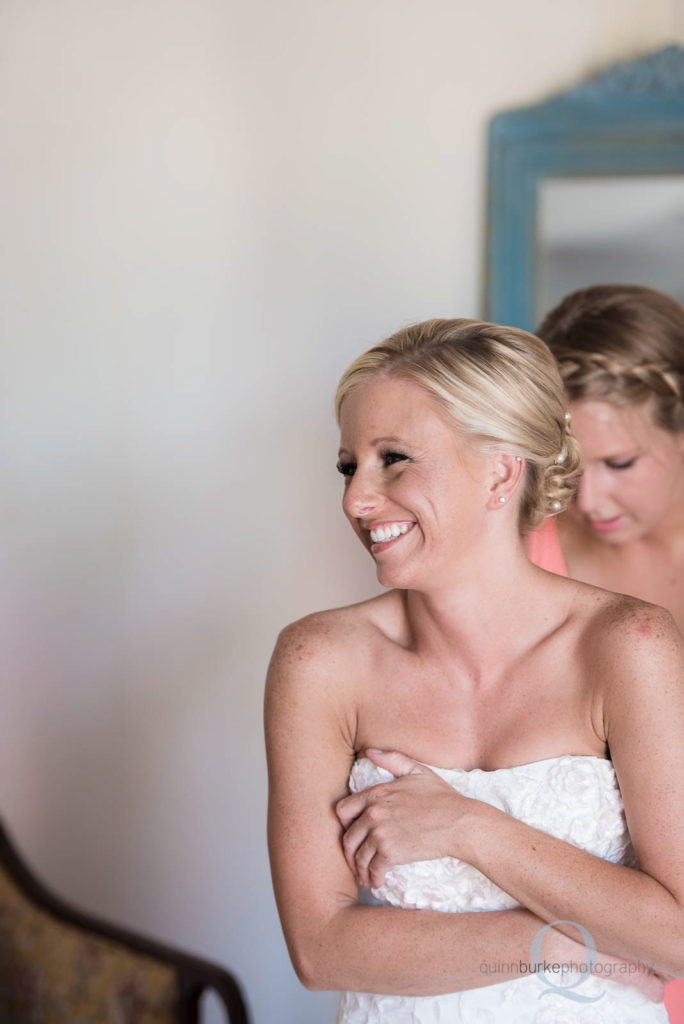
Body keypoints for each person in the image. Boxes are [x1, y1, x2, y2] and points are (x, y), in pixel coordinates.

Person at [265, 318, 684, 1023]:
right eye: (349, 465)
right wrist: (561, 946)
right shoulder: (318, 662)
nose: (356, 500)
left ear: (499, 470)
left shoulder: (627, 645)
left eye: (393, 458)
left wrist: (468, 828)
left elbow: (676, 937)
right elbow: (320, 949)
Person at [533, 284, 684, 1023]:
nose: (586, 498)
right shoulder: (527, 553)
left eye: (620, 462)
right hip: (594, 940)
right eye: (567, 460)